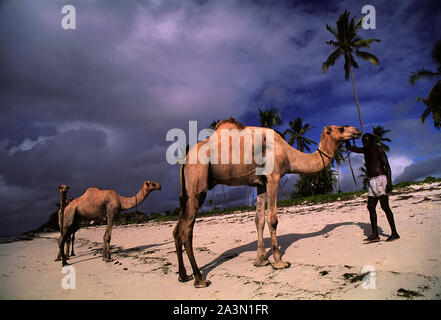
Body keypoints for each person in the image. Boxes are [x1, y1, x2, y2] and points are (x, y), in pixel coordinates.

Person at [346, 133, 400, 242]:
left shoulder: (378, 149)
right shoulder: (365, 150)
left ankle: (394, 233)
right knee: (370, 207)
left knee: (385, 207)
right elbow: (350, 148)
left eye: (367, 141)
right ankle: (375, 234)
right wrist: (347, 138)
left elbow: (387, 167)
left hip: (381, 180)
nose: (365, 143)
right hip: (371, 182)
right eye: (364, 142)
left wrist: (389, 182)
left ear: (372, 141)